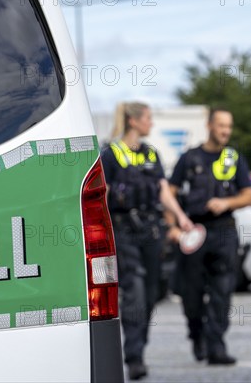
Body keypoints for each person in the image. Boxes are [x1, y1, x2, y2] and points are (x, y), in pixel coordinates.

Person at [100, 102, 193, 380]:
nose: (151, 123)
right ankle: (134, 356)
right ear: (133, 121)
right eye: (149, 118)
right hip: (124, 229)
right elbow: (102, 193)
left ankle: (139, 347)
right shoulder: (111, 154)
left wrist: (180, 217)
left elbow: (163, 191)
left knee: (152, 292)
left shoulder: (151, 154)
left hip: (151, 231)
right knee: (136, 289)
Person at [168, 108, 251, 365]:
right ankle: (197, 336)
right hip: (193, 232)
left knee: (223, 291)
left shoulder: (233, 158)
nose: (226, 131)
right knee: (191, 293)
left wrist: (226, 203)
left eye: (229, 126)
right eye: (221, 125)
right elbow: (169, 193)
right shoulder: (189, 158)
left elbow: (248, 195)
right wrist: (172, 227)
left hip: (224, 230)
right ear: (209, 126)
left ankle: (216, 346)